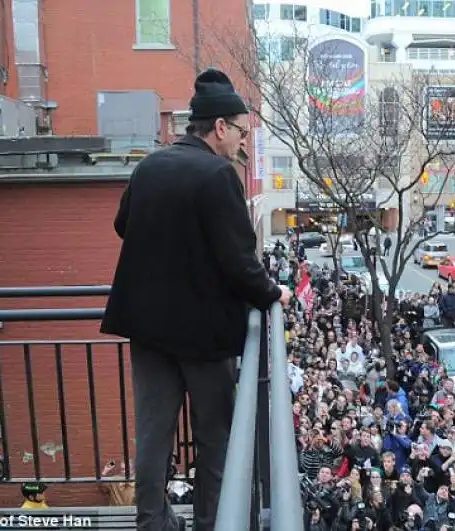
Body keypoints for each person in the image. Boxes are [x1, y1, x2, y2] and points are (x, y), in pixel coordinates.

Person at [101, 68, 292, 531]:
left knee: (153, 434)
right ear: (220, 127)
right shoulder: (218, 176)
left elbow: (122, 226)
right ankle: (212, 523)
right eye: (241, 131)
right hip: (205, 335)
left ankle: (152, 521)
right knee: (214, 438)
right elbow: (239, 261)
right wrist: (274, 292)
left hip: (147, 327)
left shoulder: (149, 166)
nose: (242, 142)